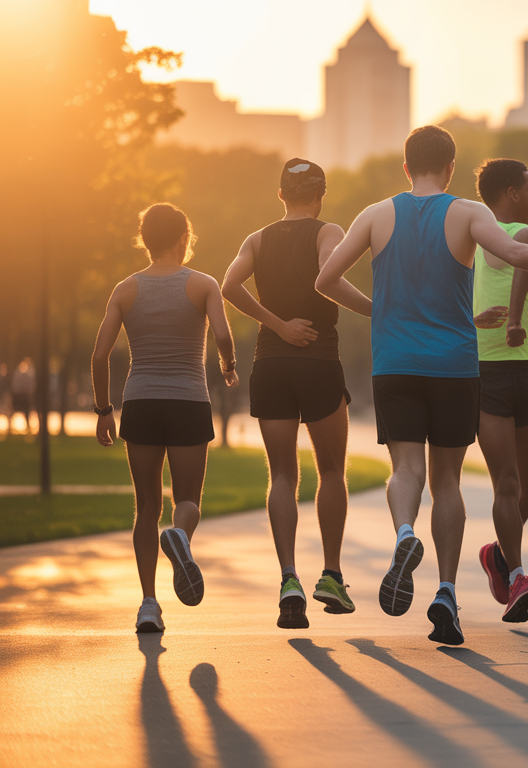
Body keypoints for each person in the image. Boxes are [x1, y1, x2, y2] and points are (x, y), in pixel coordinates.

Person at [314, 125, 528, 646]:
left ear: (405, 166)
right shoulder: (468, 213)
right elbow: (520, 257)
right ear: (451, 167)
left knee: (406, 468)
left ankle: (403, 533)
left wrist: (380, 311)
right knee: (447, 481)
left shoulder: (375, 215)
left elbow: (325, 280)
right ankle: (445, 592)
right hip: (455, 365)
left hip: (394, 360)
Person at [221, 158, 371, 629]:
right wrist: (376, 309)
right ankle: (330, 574)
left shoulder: (257, 238)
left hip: (270, 364)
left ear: (280, 195)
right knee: (330, 470)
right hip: (319, 362)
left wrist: (277, 325)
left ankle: (288, 579)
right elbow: (330, 278)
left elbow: (228, 286)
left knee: (282, 475)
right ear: (320, 195)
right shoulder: (329, 231)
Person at [90, 203, 238, 633]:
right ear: (183, 239)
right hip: (189, 400)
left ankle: (149, 604)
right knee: (187, 500)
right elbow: (225, 336)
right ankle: (182, 537)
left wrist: (103, 410)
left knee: (146, 508)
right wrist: (227, 366)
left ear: (145, 241)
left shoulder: (125, 289)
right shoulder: (203, 284)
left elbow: (100, 355)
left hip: (141, 402)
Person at [471, 159, 528, 623]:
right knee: (506, 482)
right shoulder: (513, 236)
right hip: (490, 372)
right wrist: (516, 319)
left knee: (526, 490)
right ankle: (519, 576)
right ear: (509, 193)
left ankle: (498, 556)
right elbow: (526, 259)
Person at [10, 358, 36, 434]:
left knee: (20, 411)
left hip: (20, 395)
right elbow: (31, 387)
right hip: (24, 395)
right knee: (26, 411)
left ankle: (12, 426)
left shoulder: (18, 374)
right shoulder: (28, 374)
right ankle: (28, 427)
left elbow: (15, 386)